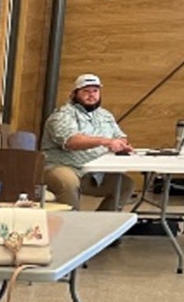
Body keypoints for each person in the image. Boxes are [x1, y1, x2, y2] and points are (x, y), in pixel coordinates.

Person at [41, 74, 135, 210]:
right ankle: (71, 225)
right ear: (74, 94)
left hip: (95, 172)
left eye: (95, 91)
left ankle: (101, 225)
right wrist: (104, 141)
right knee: (68, 182)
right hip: (63, 167)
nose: (91, 95)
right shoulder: (62, 115)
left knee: (126, 185)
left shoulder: (105, 115)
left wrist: (120, 145)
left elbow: (120, 136)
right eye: (86, 91)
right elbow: (71, 141)